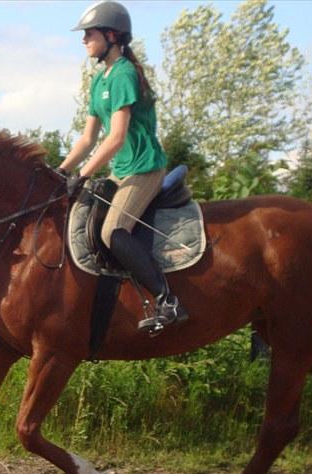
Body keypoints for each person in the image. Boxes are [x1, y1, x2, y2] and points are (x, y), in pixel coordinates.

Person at [59, 0, 187, 333]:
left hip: (144, 168)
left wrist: (84, 174)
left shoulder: (125, 75)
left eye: (89, 33)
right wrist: (60, 172)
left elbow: (115, 138)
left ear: (112, 35)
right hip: (121, 169)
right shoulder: (100, 81)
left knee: (112, 230)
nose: (83, 39)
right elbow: (88, 139)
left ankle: (166, 299)